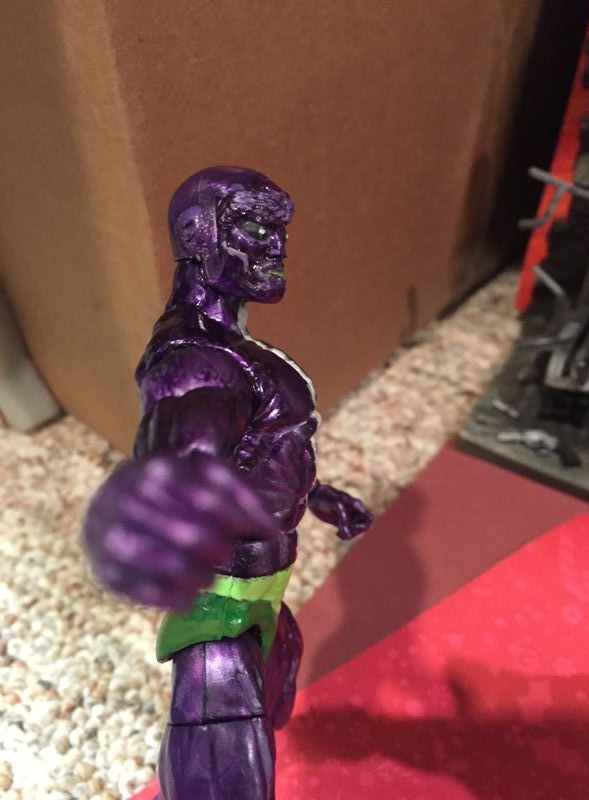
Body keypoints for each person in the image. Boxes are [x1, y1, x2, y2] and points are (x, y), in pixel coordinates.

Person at [83, 166, 373, 799]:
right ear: (199, 235)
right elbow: (188, 415)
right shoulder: (198, 356)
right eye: (253, 228)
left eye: (279, 229)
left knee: (274, 701)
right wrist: (165, 478)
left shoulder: (232, 346)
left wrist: (321, 496)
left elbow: (262, 451)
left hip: (261, 593)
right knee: (225, 769)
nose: (277, 245)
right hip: (220, 617)